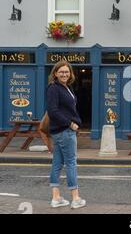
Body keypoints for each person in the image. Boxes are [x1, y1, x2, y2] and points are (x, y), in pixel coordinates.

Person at [46, 60, 86, 209]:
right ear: (55, 73)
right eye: (61, 72)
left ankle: (56, 198)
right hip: (64, 131)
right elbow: (53, 111)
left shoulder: (66, 87)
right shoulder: (53, 88)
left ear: (70, 74)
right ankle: (75, 198)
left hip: (61, 131)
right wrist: (70, 123)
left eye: (67, 72)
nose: (64, 74)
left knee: (57, 163)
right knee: (71, 163)